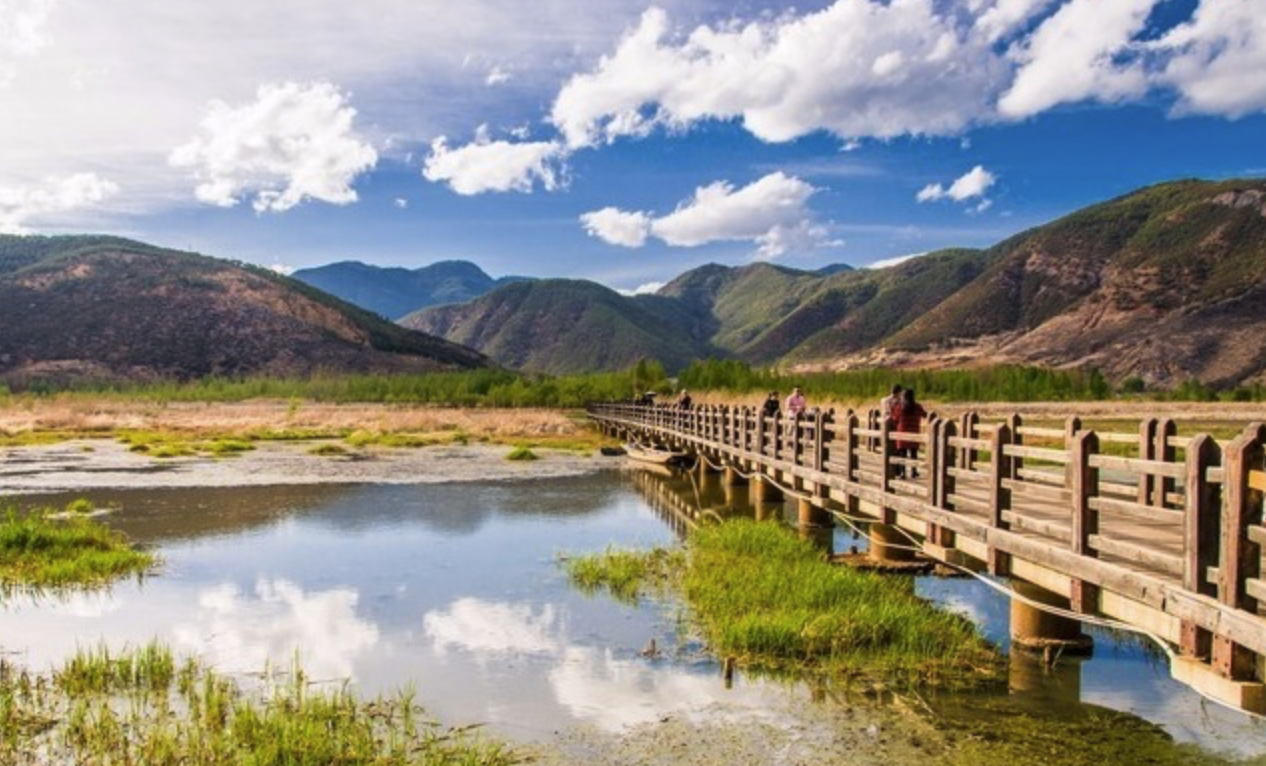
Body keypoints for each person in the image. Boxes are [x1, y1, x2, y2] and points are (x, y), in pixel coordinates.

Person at [892, 388, 927, 479]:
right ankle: (914, 471)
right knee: (913, 454)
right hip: (914, 432)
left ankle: (903, 473)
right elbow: (924, 414)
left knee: (902, 454)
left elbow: (895, 419)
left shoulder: (900, 407)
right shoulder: (917, 406)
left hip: (902, 433)